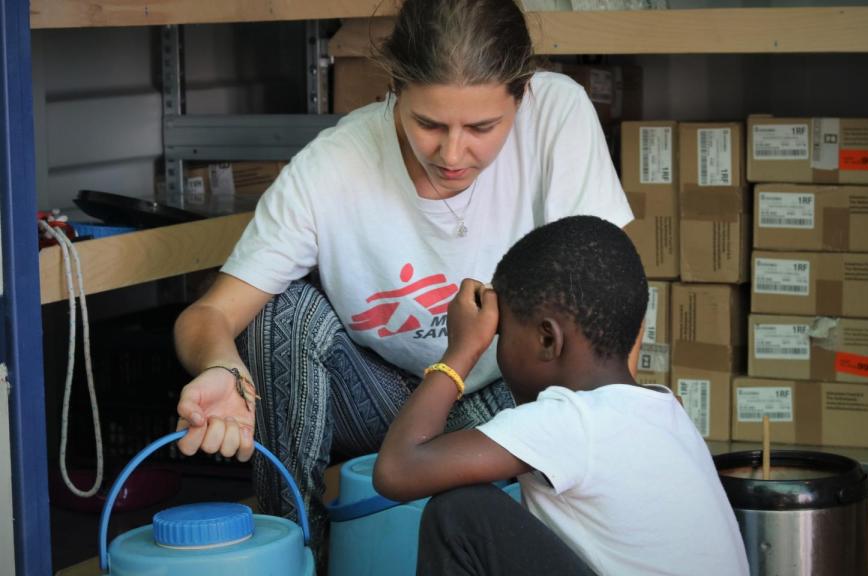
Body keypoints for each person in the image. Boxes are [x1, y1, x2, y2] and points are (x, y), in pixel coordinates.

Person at [170, 0, 634, 565]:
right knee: (280, 314)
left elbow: (608, 299)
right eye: (428, 124)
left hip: (507, 395)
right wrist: (220, 366)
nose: (453, 153)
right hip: (385, 398)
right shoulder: (333, 166)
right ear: (395, 87)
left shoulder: (558, 115)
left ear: (523, 93)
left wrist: (610, 441)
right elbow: (209, 316)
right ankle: (295, 549)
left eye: (483, 127)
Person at [374, 215, 749, 576]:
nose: (495, 348)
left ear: (547, 339)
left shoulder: (572, 421)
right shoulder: (665, 412)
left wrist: (461, 351)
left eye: (500, 335)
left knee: (460, 514)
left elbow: (397, 470)